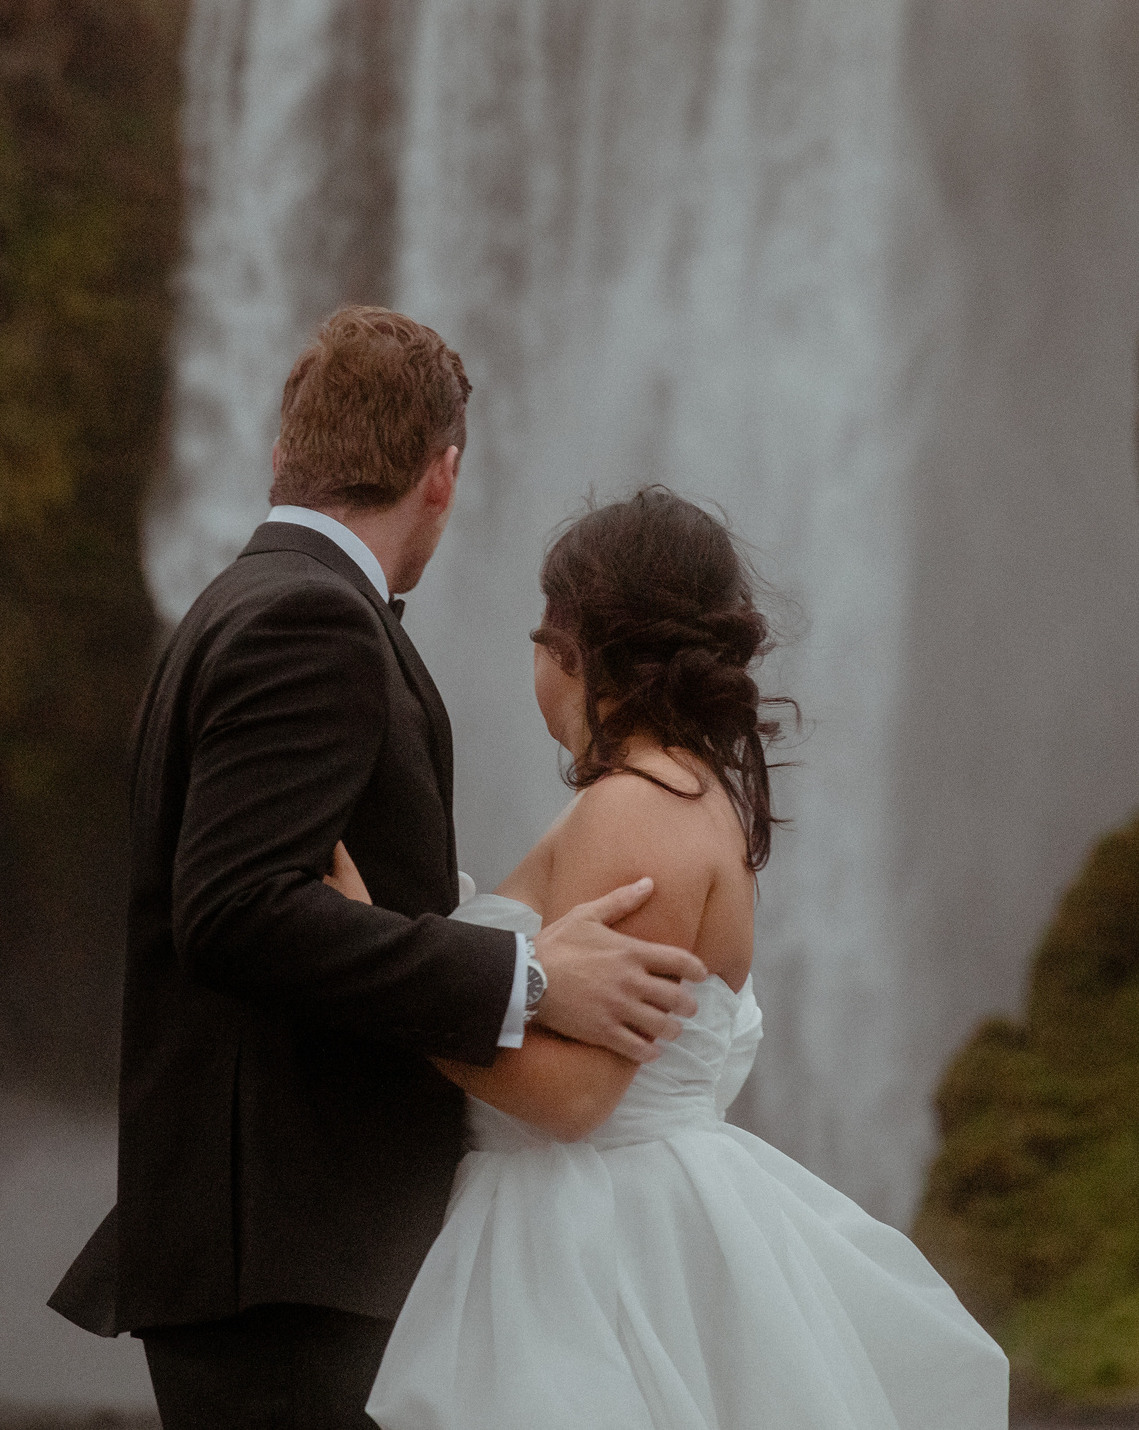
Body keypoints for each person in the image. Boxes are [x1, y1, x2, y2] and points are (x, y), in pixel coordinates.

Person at [50, 307, 711, 1430]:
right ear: (442, 473)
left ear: (281, 454)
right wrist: (527, 977)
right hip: (291, 1257)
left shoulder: (239, 604)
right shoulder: (310, 622)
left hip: (277, 1255)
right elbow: (236, 908)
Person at [343, 487, 1011, 1430]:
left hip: (588, 1256)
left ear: (588, 646)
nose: (532, 657)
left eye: (545, 630)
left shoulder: (640, 806)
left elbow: (575, 1097)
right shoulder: (680, 791)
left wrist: (379, 979)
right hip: (609, 1227)